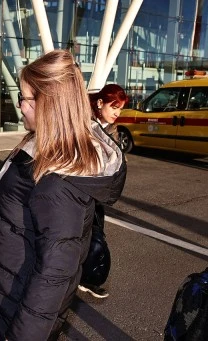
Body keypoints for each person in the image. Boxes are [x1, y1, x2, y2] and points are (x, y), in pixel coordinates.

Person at [0, 50, 127, 340]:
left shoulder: (60, 178)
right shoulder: (40, 145)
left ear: (49, 104)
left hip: (13, 313)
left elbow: (54, 275)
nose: (19, 107)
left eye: (24, 98)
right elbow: (21, 207)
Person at [77, 84, 129, 299]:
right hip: (78, 189)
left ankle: (87, 278)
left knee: (94, 236)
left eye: (121, 108)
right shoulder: (82, 122)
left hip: (96, 193)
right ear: (100, 103)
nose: (117, 113)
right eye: (114, 107)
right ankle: (82, 278)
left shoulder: (111, 129)